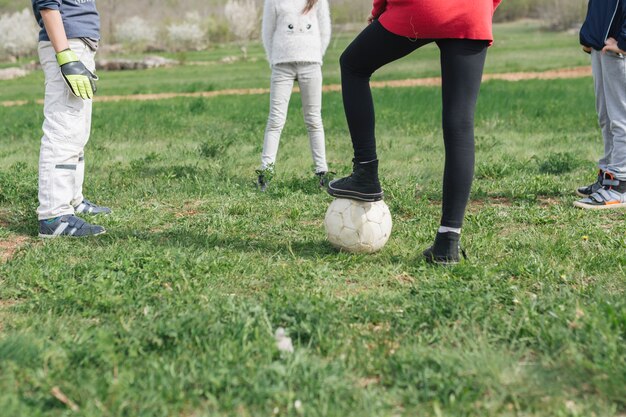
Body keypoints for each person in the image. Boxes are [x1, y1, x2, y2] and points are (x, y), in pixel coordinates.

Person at [327, 0, 501, 264]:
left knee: (353, 65)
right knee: (460, 122)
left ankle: (365, 173)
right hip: (473, 9)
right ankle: (448, 243)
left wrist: (379, 12)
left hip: (423, 7)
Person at [31, 0, 110, 238]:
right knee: (63, 131)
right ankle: (54, 216)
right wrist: (65, 55)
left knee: (76, 131)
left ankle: (73, 200)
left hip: (80, 44)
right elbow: (46, 4)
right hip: (66, 45)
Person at [257, 0, 332, 191]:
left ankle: (322, 172)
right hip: (282, 65)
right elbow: (268, 32)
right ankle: (266, 172)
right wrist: (273, 59)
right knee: (275, 120)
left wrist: (316, 55)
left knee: (314, 119)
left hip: (311, 64)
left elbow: (324, 29)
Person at [575, 0, 626, 209]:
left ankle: (620, 185)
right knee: (606, 117)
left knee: (621, 118)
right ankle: (608, 177)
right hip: (601, 45)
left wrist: (624, 41)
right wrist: (588, 35)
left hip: (618, 48)